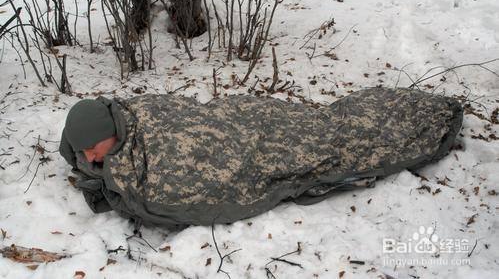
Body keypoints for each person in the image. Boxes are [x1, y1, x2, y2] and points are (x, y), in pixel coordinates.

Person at [60, 88, 463, 229]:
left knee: (333, 138)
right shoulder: (113, 129)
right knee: (326, 129)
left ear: (110, 131)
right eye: (82, 153)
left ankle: (423, 117)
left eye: (90, 149)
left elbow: (171, 198)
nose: (86, 157)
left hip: (249, 131)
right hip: (239, 124)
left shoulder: (136, 124)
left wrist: (110, 185)